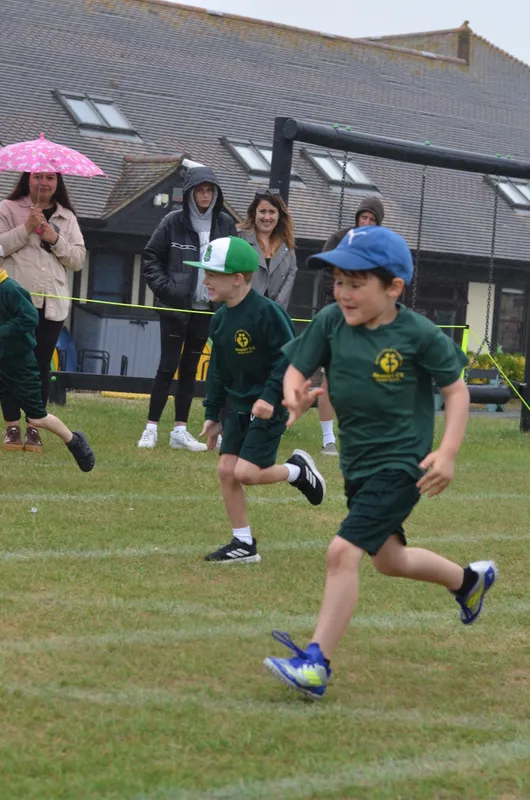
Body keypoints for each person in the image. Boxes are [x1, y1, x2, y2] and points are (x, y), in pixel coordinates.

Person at [263, 226, 498, 699]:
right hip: (359, 466)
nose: (344, 293)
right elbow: (298, 365)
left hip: (401, 465)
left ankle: (316, 662)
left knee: (342, 553)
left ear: (393, 288)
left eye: (357, 283)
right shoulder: (330, 322)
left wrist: (447, 452)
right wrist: (293, 388)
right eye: (338, 281)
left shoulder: (418, 334)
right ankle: (469, 580)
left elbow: (456, 390)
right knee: (389, 560)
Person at [183, 236, 326, 563]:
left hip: (269, 407)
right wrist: (213, 415)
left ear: (237, 279)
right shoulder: (219, 320)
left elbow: (289, 358)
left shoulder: (268, 313)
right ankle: (243, 544)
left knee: (246, 472)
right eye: (204, 272)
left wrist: (268, 397)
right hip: (238, 407)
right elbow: (218, 370)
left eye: (213, 274)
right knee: (226, 469)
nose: (205, 280)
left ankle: (297, 471)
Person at [139, 166, 237, 451]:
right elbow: (150, 258)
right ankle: (151, 428)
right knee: (166, 366)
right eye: (200, 190)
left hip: (207, 310)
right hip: (175, 309)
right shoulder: (171, 221)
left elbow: (234, 262)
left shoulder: (225, 224)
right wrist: (169, 291)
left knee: (191, 369)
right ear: (191, 193)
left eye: (210, 190)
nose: (205, 195)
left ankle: (179, 430)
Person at [0, 171, 86, 452]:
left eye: (50, 178)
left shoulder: (67, 217)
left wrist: (54, 238)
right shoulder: (8, 208)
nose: (44, 183)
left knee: (41, 365)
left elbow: (77, 260)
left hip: (53, 304)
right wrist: (26, 227)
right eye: (38, 177)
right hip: (16, 303)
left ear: (58, 182)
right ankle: (11, 426)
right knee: (12, 364)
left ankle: (33, 428)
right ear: (27, 179)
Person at [0, 246, 94, 471]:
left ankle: (74, 441)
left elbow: (30, 318)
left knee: (36, 418)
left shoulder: (10, 289)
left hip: (20, 365)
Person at [317, 196, 385, 456]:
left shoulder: (382, 246)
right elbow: (325, 274)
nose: (366, 222)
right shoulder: (339, 239)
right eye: (363, 217)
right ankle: (327, 439)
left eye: (372, 219)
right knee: (330, 376)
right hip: (339, 314)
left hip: (369, 318)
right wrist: (346, 297)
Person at [237, 189, 297, 311]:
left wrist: (274, 313)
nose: (267, 217)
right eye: (262, 211)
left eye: (272, 212)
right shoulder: (239, 239)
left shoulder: (288, 247)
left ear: (279, 215)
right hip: (242, 311)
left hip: (273, 316)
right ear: (254, 213)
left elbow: (289, 282)